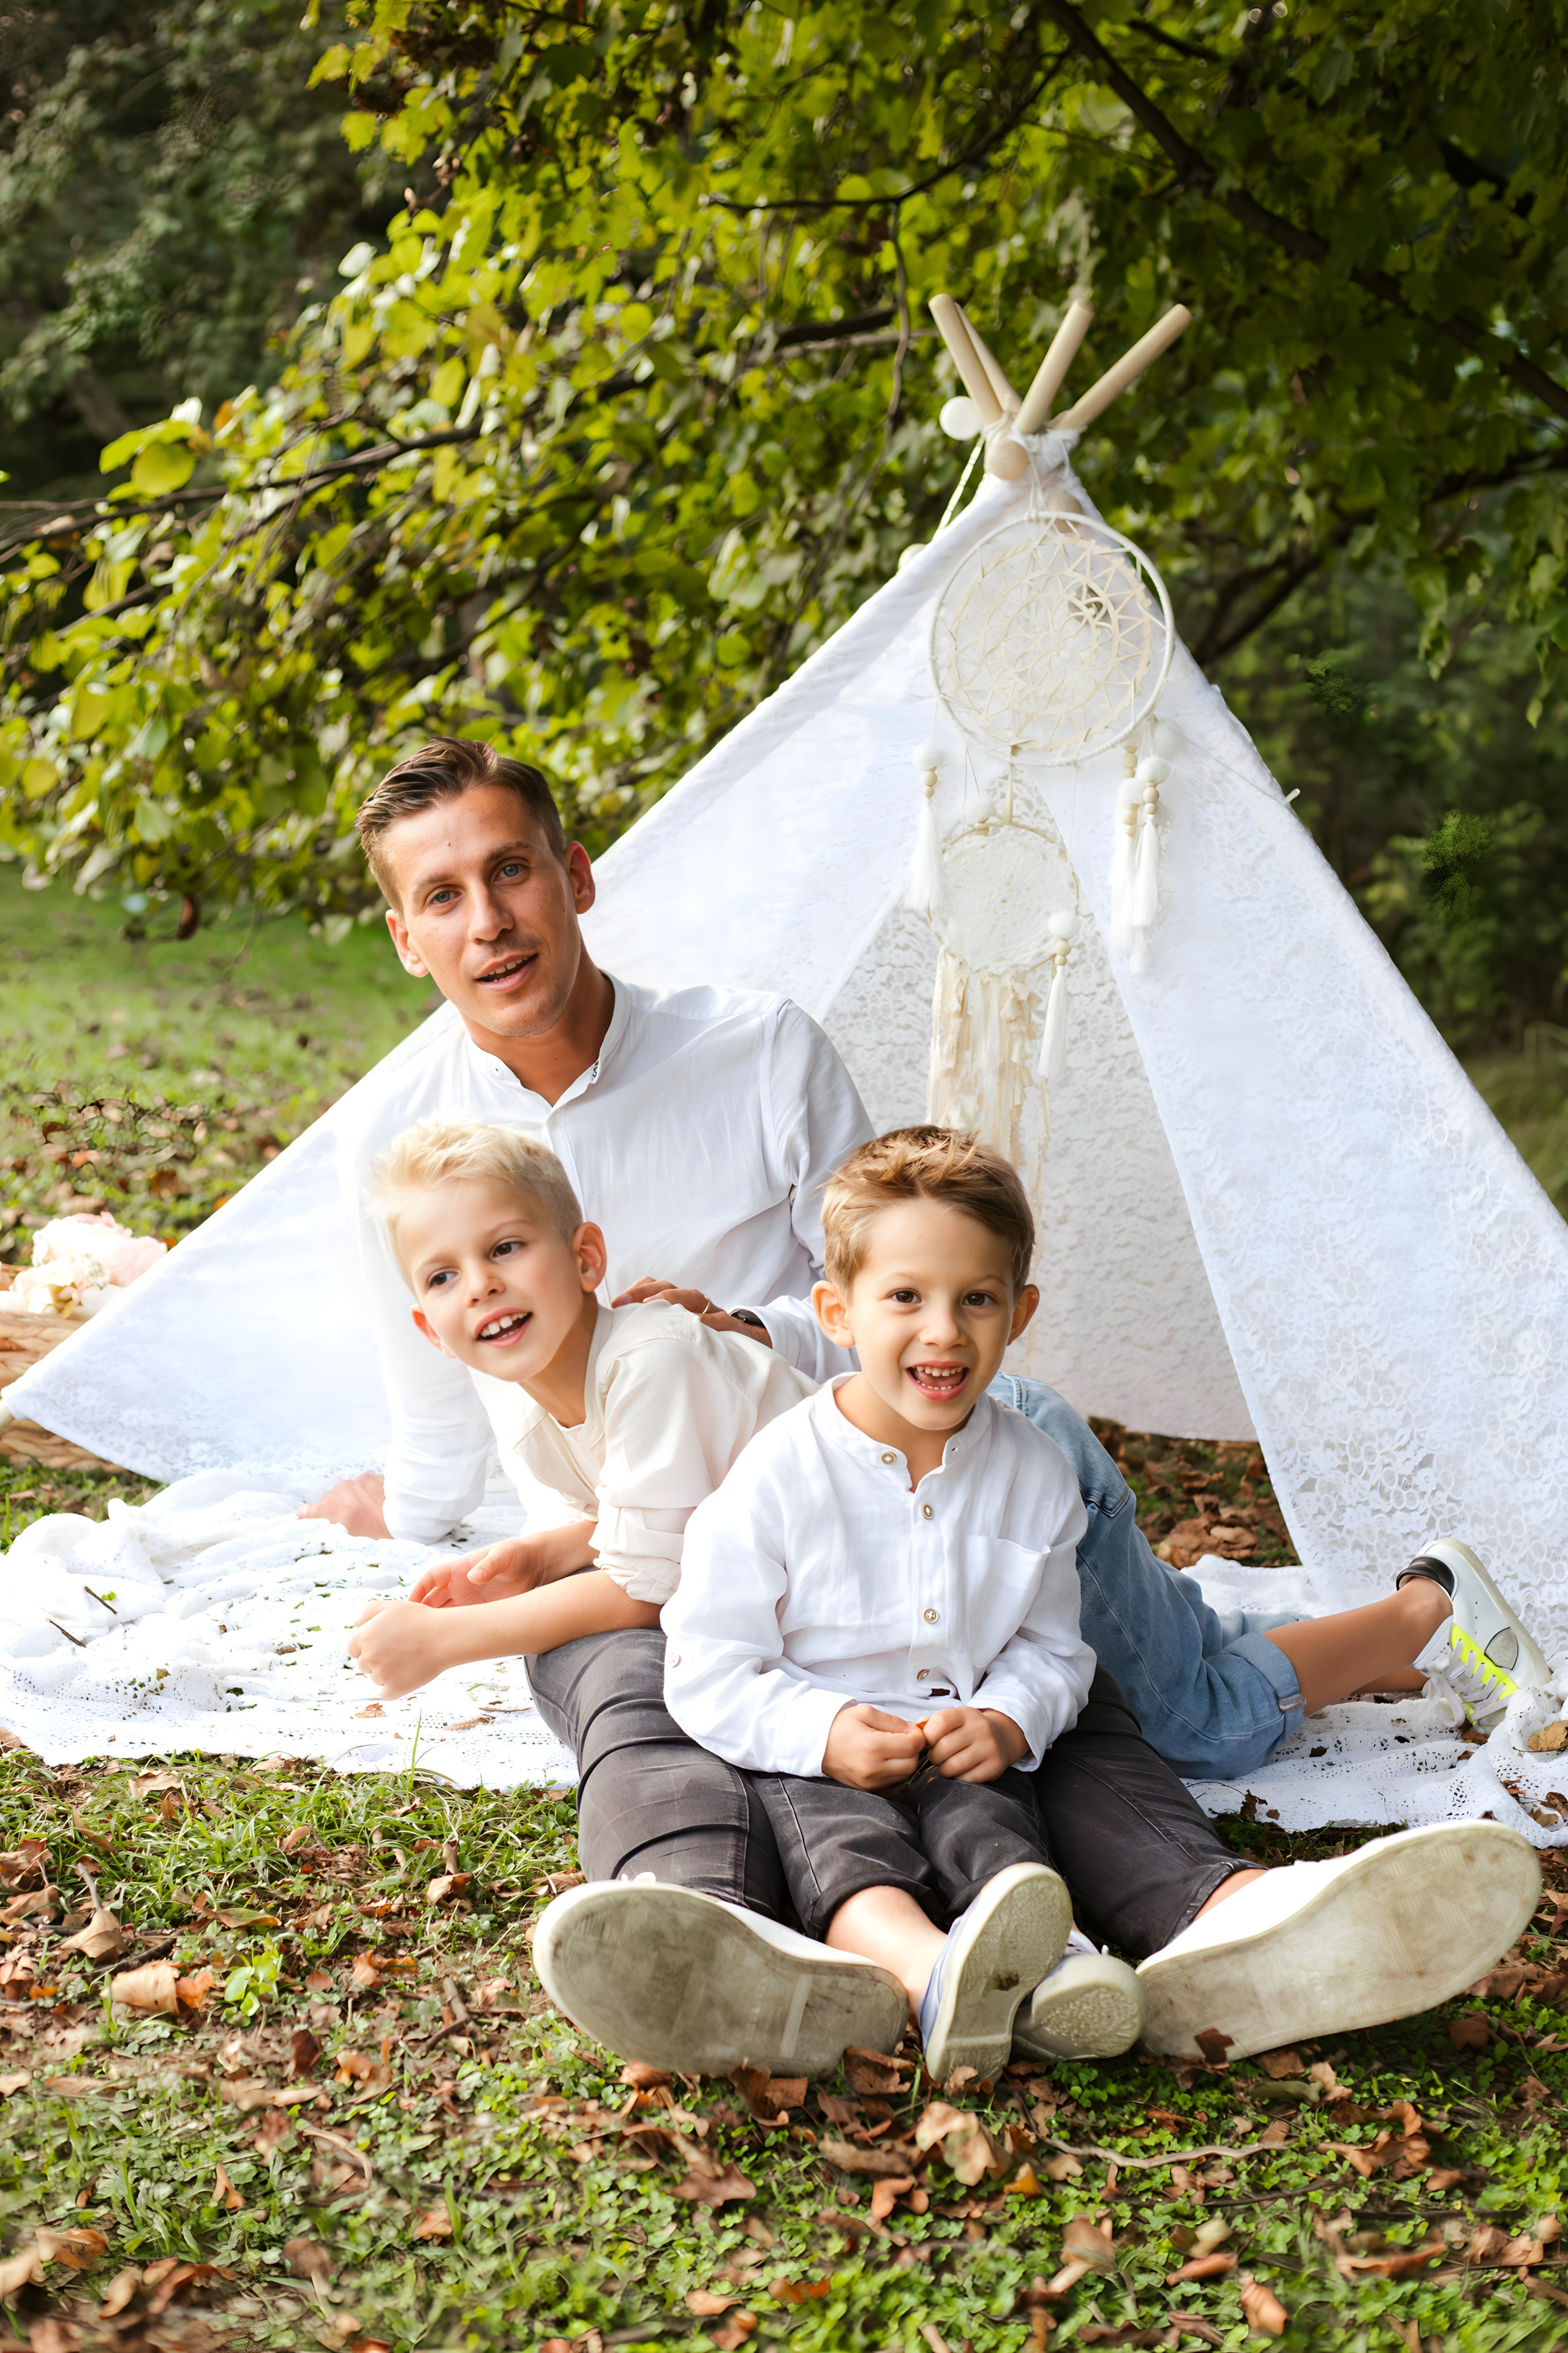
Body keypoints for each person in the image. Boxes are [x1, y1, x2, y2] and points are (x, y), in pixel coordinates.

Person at [299, 735, 1549, 2068]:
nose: (487, 920)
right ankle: (789, 1940)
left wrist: (735, 1324)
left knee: (1178, 1712)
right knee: (798, 1700)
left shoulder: (754, 1049)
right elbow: (447, 1427)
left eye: (510, 872)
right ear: (403, 935)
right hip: (748, 1526)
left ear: (575, 875)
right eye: (442, 896)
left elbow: (890, 1283)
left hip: (923, 1451)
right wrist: (415, 1522)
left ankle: (1419, 1605)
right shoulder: (402, 1156)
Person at [540, 1130, 1543, 2074]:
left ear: (1018, 1313)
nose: (944, 1330)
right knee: (847, 1848)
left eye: (977, 1299)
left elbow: (1056, 1644)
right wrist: (825, 1727)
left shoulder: (1030, 1466)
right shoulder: (775, 1480)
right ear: (837, 1314)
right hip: (832, 1744)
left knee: (1011, 1830)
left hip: (977, 1731)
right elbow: (710, 1666)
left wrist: (1012, 1712)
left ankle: (1158, 1944)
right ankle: (921, 1974)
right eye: (906, 1297)